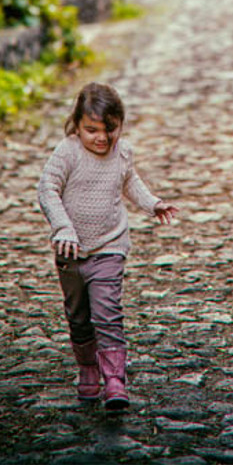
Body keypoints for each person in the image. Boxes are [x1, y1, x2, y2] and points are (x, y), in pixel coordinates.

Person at [37, 82, 178, 410]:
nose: (101, 138)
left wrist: (152, 203)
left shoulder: (122, 152)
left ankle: (114, 379)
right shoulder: (68, 151)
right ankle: (88, 369)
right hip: (70, 252)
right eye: (91, 130)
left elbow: (130, 181)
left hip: (109, 247)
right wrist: (63, 227)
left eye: (109, 130)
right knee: (79, 316)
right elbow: (47, 189)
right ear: (77, 125)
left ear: (119, 126)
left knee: (108, 313)